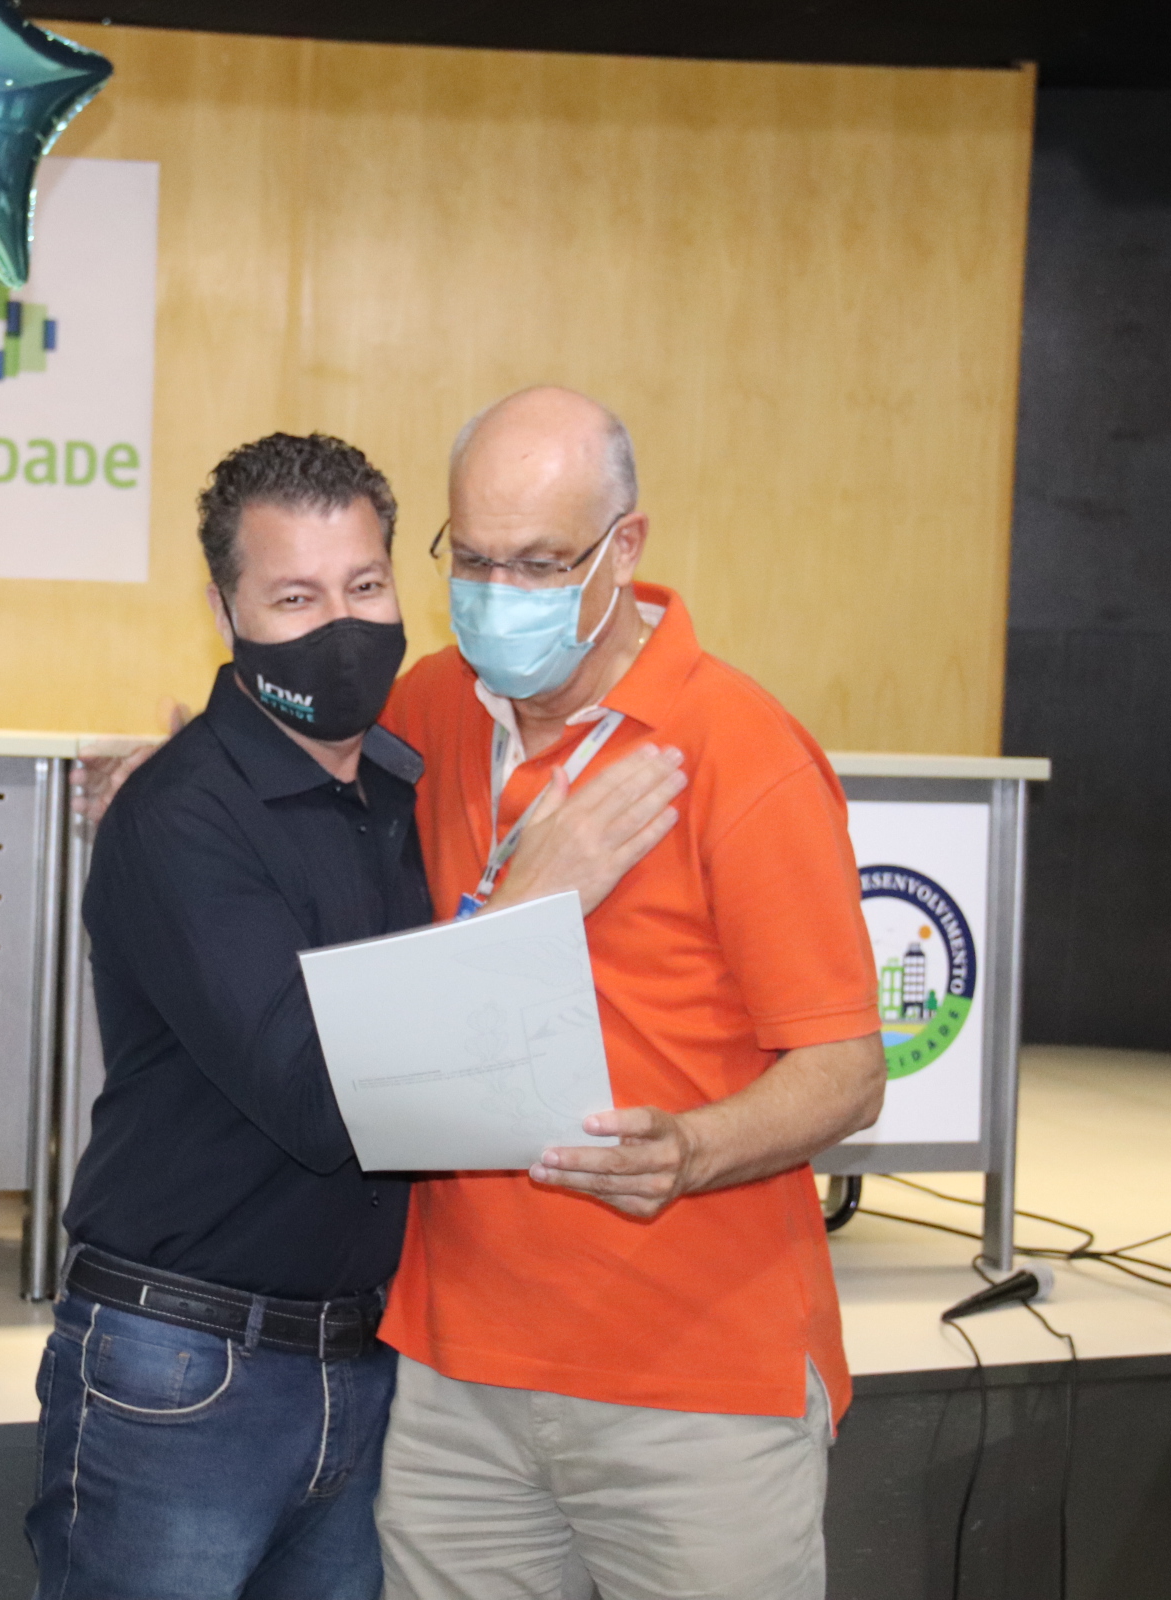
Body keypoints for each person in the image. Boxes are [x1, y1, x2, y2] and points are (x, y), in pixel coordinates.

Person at [28, 431, 686, 1600]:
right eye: (294, 596)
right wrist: (526, 905)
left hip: (365, 1368)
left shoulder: (395, 786)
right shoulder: (179, 818)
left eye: (365, 585)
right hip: (183, 1370)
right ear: (224, 610)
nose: (339, 624)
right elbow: (320, 1102)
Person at [372, 387, 887, 1600]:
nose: (498, 591)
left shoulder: (742, 751)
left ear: (626, 547)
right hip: (457, 1382)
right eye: (472, 557)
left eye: (539, 562)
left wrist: (695, 1149)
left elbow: (847, 1070)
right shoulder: (426, 707)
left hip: (696, 1391)